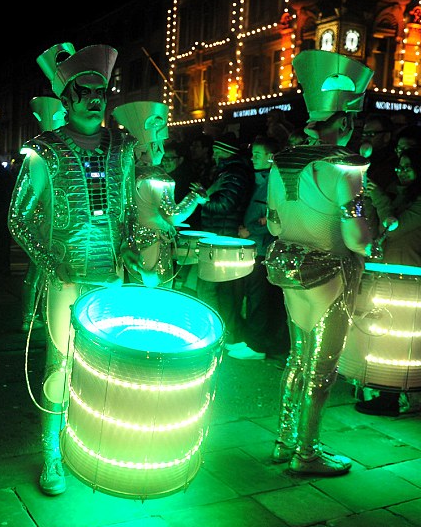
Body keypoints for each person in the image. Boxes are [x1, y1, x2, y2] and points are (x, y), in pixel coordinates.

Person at [8, 42, 136, 496]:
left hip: (111, 278)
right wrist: (49, 263)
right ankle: (51, 453)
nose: (93, 100)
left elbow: (130, 211)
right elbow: (18, 219)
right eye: (83, 91)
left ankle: (90, 441)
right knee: (59, 362)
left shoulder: (123, 147)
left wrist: (134, 251)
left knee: (104, 363)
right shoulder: (45, 151)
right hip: (65, 279)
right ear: (66, 99)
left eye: (101, 90)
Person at [264, 49, 375, 476]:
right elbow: (357, 238)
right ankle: (307, 451)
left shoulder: (280, 162)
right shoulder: (346, 166)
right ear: (345, 121)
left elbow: (273, 225)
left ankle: (283, 440)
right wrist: (372, 241)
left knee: (296, 358)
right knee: (322, 367)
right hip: (331, 273)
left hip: (289, 271)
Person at [355, 144, 421, 416]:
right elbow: (372, 227)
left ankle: (392, 397)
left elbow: (394, 228)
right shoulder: (393, 193)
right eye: (399, 166)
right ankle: (377, 390)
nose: (401, 172)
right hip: (381, 271)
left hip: (404, 274)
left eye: (408, 167)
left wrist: (379, 198)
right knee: (378, 333)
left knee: (395, 338)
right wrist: (369, 200)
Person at [113, 100, 208, 288]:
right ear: (152, 146)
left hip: (132, 246)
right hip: (154, 247)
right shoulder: (158, 178)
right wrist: (194, 197)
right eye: (160, 143)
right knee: (159, 296)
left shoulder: (126, 175)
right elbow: (173, 215)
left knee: (136, 295)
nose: (163, 150)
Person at [230, 134, 289, 361]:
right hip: (258, 248)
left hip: (264, 249)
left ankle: (258, 345)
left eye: (257, 154)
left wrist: (252, 231)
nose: (252, 158)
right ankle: (255, 341)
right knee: (256, 298)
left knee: (260, 299)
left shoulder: (274, 183)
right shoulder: (265, 180)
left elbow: (276, 220)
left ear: (271, 157)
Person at [197, 132, 254, 350]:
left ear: (224, 151)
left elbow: (225, 205)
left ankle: (215, 334)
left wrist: (203, 200)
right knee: (220, 290)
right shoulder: (230, 171)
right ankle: (223, 333)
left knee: (211, 288)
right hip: (221, 235)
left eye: (217, 149)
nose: (213, 153)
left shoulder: (233, 173)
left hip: (221, 237)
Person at [20, 96, 68, 331]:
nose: (62, 122)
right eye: (58, 117)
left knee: (46, 275)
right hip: (42, 226)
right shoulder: (38, 154)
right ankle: (29, 316)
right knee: (37, 272)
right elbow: (21, 212)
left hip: (56, 227)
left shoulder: (63, 153)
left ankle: (40, 314)